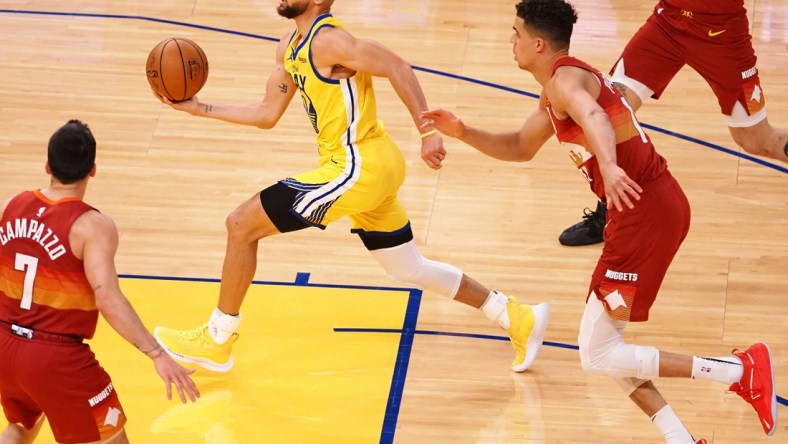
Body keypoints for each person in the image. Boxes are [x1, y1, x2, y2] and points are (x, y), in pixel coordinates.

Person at [421, 1, 777, 442]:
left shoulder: (567, 81)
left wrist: (609, 167)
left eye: (515, 33)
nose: (509, 41)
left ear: (537, 43)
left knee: (597, 353)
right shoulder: (555, 87)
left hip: (645, 214)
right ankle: (682, 438)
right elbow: (519, 146)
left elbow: (593, 117)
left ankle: (740, 370)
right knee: (607, 348)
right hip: (644, 212)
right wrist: (463, 132)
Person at [151, 0, 549, 375]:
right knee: (409, 267)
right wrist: (198, 108)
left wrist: (427, 130)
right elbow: (266, 113)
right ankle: (514, 315)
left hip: (359, 164)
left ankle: (218, 337)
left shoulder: (329, 41)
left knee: (241, 224)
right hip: (368, 165)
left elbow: (397, 66)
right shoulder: (290, 45)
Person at [0, 120, 200, 444]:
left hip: (5, 347)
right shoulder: (91, 226)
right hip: (55, 356)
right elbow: (108, 299)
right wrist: (157, 353)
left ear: (47, 166)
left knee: (22, 428)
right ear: (93, 170)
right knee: (111, 439)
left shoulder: (9, 206)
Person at [559, 0, 788, 247]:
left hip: (723, 33)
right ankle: (608, 212)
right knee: (611, 113)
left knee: (756, 140)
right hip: (668, 22)